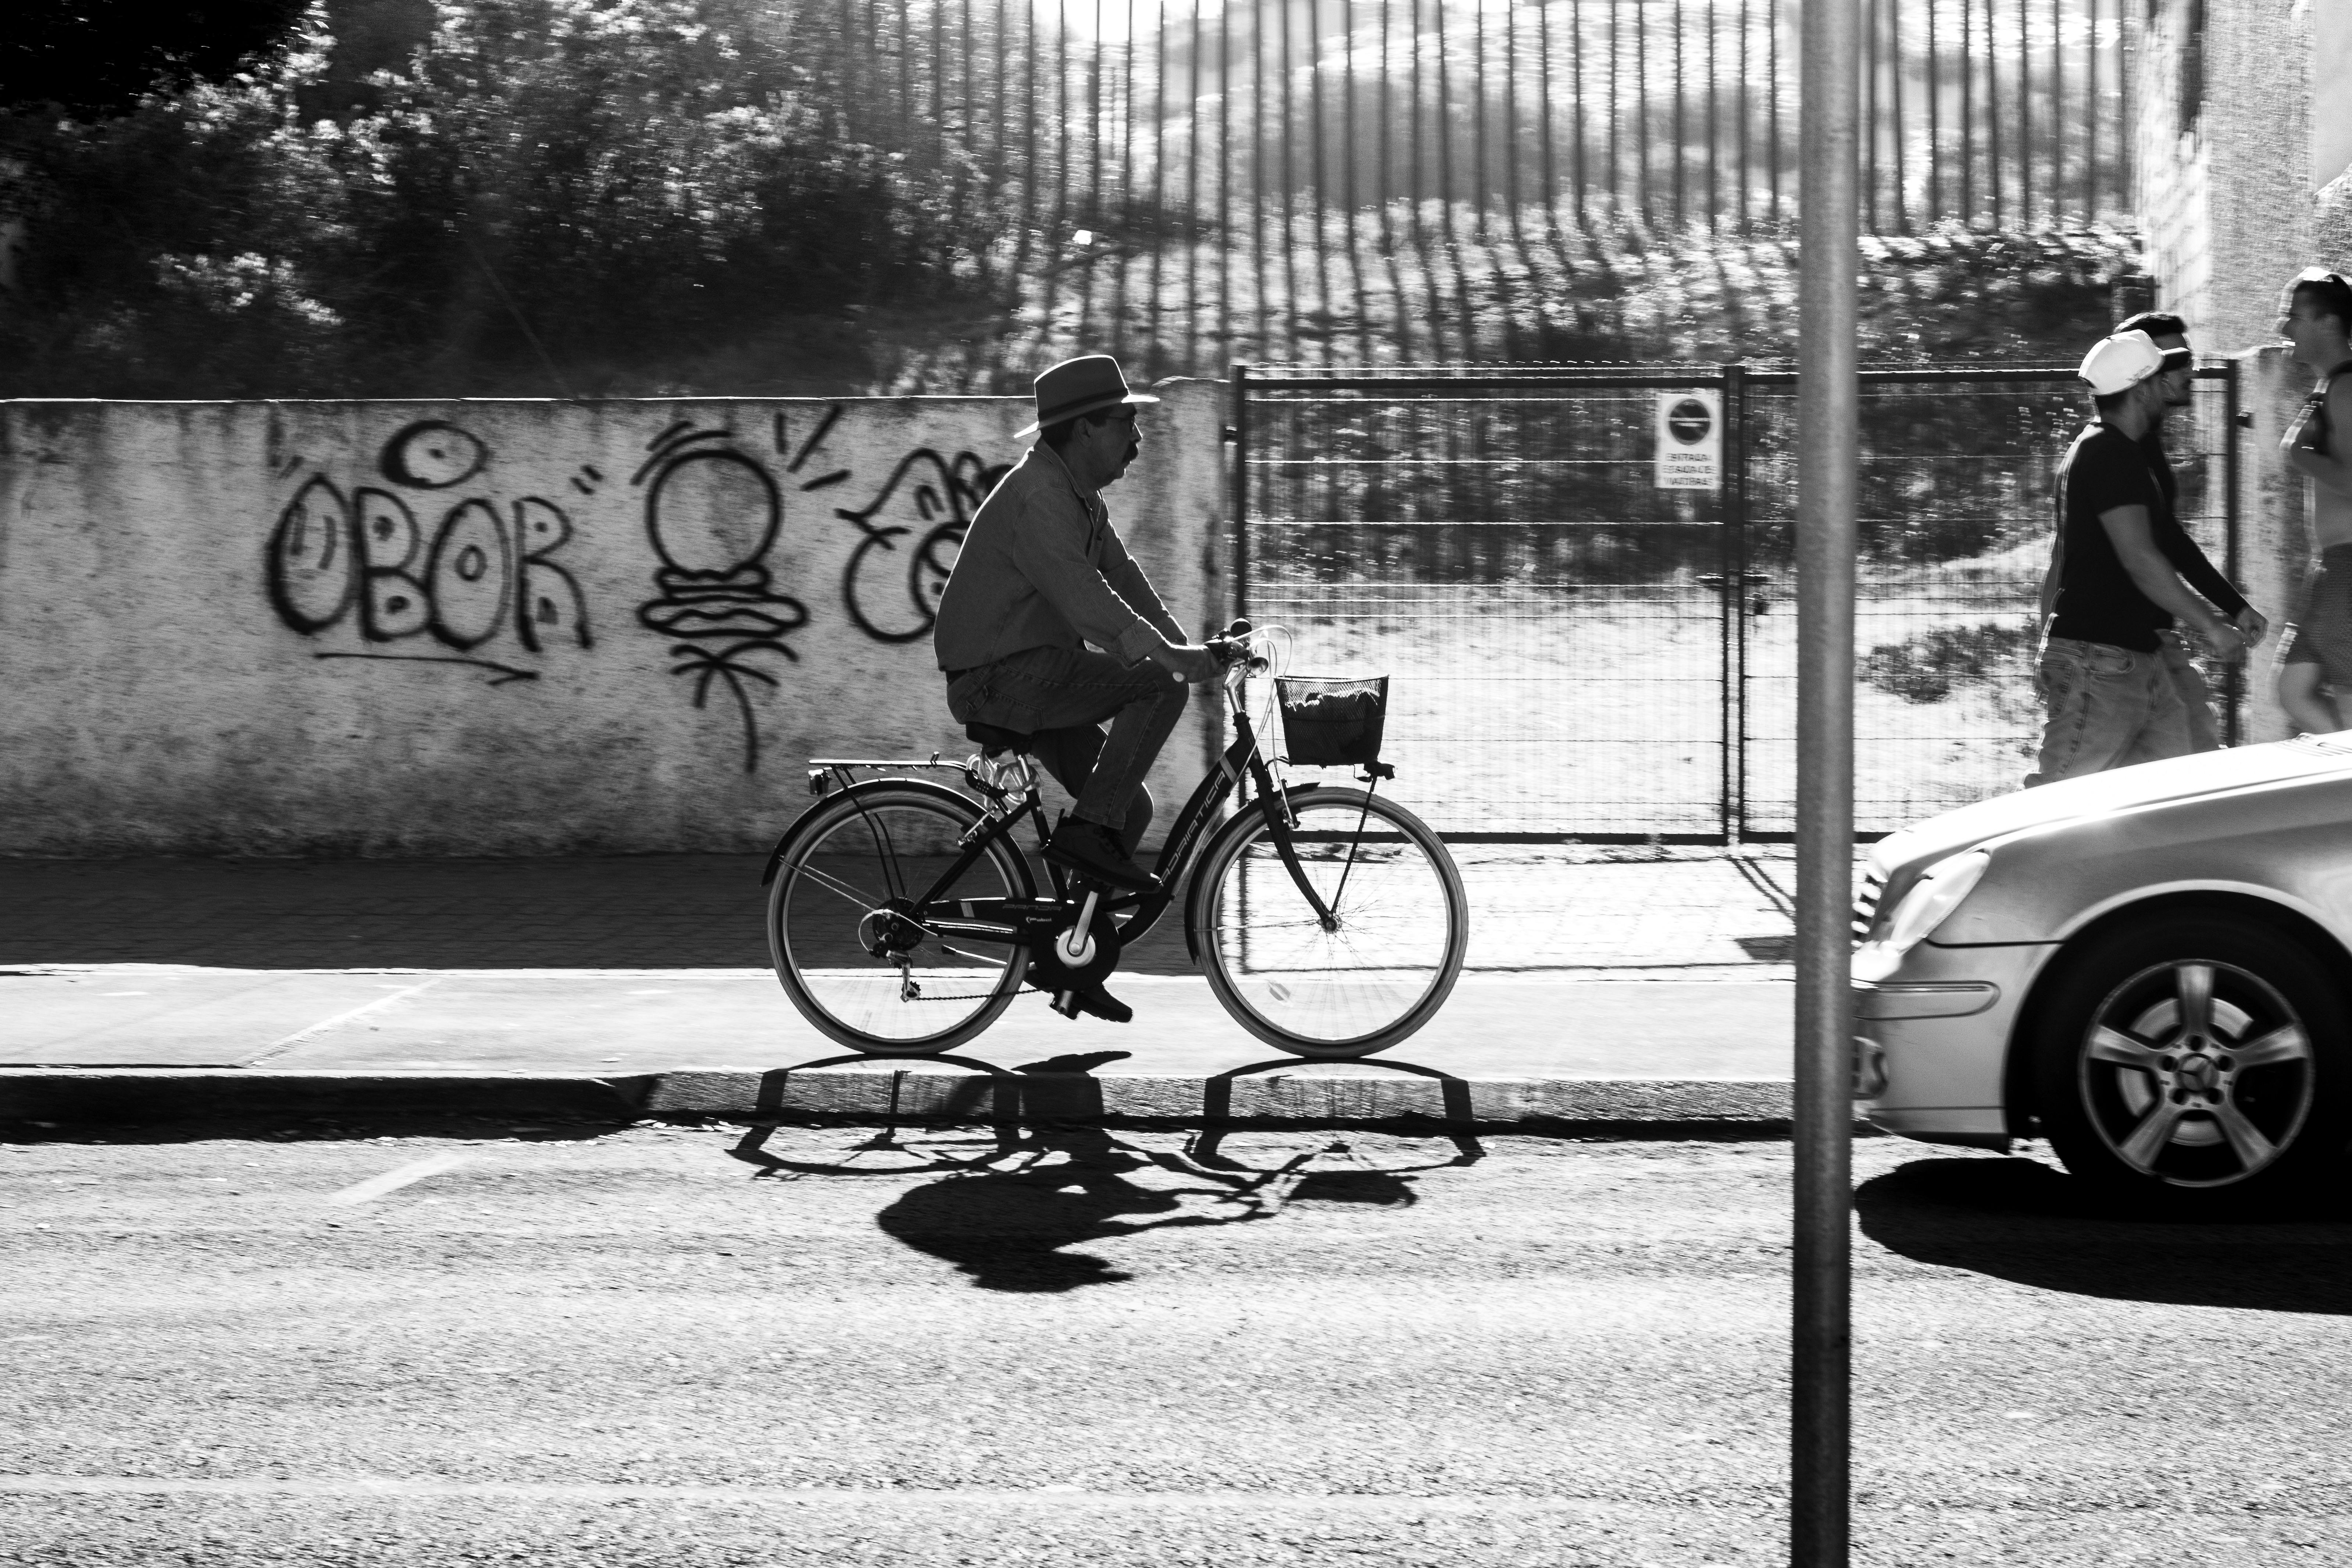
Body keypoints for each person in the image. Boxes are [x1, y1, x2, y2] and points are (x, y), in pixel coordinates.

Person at [932, 354, 1222, 1021]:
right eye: (1126, 422)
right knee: (1155, 691)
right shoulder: (1041, 498)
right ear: (1085, 429)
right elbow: (1086, 599)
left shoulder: (1077, 498)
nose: (1138, 438)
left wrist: (1188, 648)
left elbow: (1125, 581)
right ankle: (1085, 838)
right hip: (999, 679)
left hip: (1033, 675)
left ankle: (1071, 959)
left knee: (1129, 811)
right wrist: (1174, 664)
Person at [2035, 311, 2267, 752]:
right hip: (2097, 658)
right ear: (2142, 388)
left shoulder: (2114, 448)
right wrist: (2212, 626)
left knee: (2180, 786)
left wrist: (2230, 609)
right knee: (2061, 804)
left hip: (2131, 654)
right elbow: (2140, 558)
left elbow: (2162, 542)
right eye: (2163, 371)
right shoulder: (2109, 455)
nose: (2179, 377)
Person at [2273, 268, 2352, 735]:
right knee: (2291, 690)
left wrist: (2297, 454)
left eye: (2294, 316)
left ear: (2328, 322)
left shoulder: (2347, 388)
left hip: (2348, 567)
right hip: (2330, 566)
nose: (2283, 328)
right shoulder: (2331, 388)